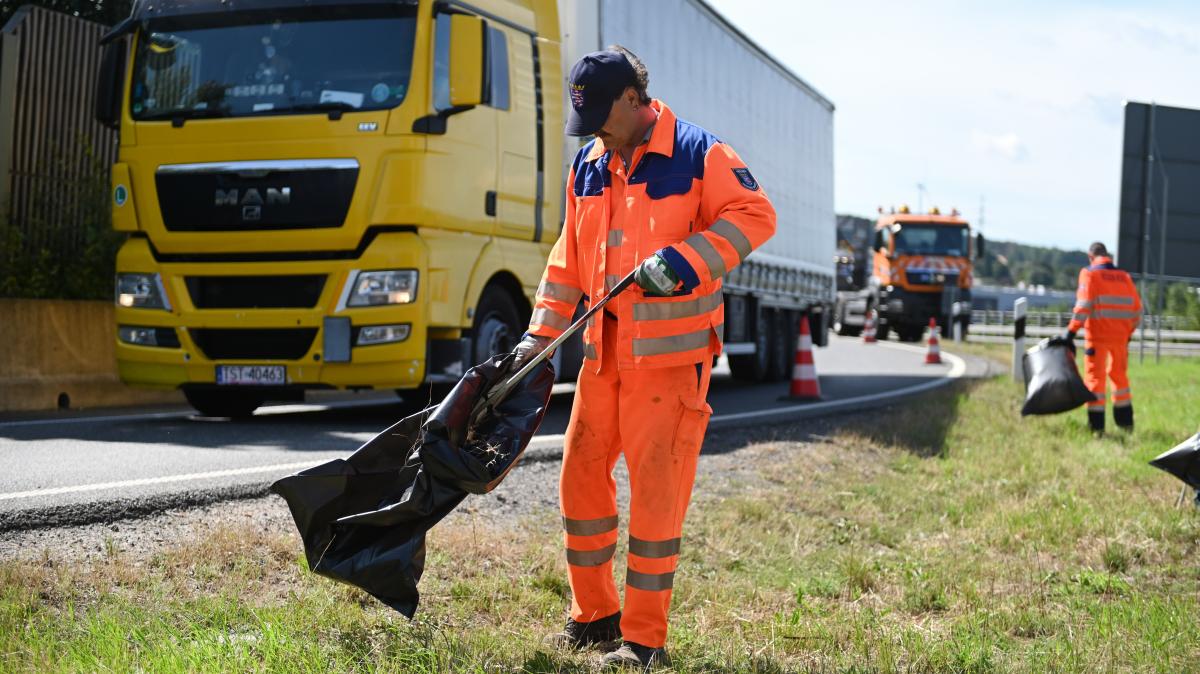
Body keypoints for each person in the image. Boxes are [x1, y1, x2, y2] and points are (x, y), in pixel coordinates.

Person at [510, 47, 776, 668]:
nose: (596, 130)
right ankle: (594, 616)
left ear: (634, 98)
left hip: (669, 366)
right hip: (602, 362)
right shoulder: (589, 166)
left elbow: (756, 216)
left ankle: (643, 640)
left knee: (655, 500)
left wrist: (683, 262)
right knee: (579, 480)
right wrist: (537, 338)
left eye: (604, 114)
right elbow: (567, 262)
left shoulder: (699, 154)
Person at [1063, 242, 1142, 435]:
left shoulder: (1090, 274)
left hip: (1097, 337)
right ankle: (1125, 425)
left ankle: (1097, 428)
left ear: (1091, 257)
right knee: (1120, 379)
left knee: (1095, 380)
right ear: (1108, 256)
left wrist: (1070, 332)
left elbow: (1083, 305)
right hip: (1121, 338)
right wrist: (1127, 334)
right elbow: (1137, 311)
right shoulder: (1124, 277)